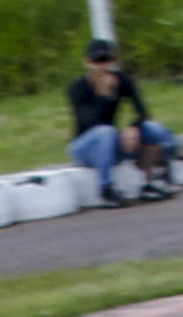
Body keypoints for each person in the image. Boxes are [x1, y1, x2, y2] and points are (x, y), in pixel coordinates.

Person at [66, 38, 176, 206]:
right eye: (97, 61)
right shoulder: (77, 88)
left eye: (106, 60)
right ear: (87, 63)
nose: (102, 66)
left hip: (110, 144)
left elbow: (143, 112)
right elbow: (88, 122)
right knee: (106, 131)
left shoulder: (122, 80)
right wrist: (105, 95)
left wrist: (133, 128)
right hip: (84, 146)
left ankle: (159, 177)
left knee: (152, 128)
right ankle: (106, 189)